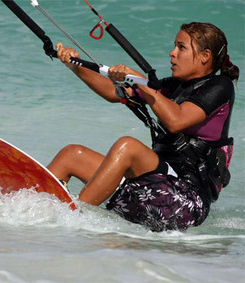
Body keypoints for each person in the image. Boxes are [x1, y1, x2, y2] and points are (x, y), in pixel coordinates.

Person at [47, 22, 239, 232]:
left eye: (181, 47)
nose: (172, 53)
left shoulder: (220, 86)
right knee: (72, 155)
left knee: (127, 147)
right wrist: (75, 66)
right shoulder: (172, 86)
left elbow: (177, 121)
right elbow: (114, 92)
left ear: (205, 56)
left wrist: (140, 81)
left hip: (184, 202)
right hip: (149, 187)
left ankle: (71, 220)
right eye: (174, 46)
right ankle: (29, 210)